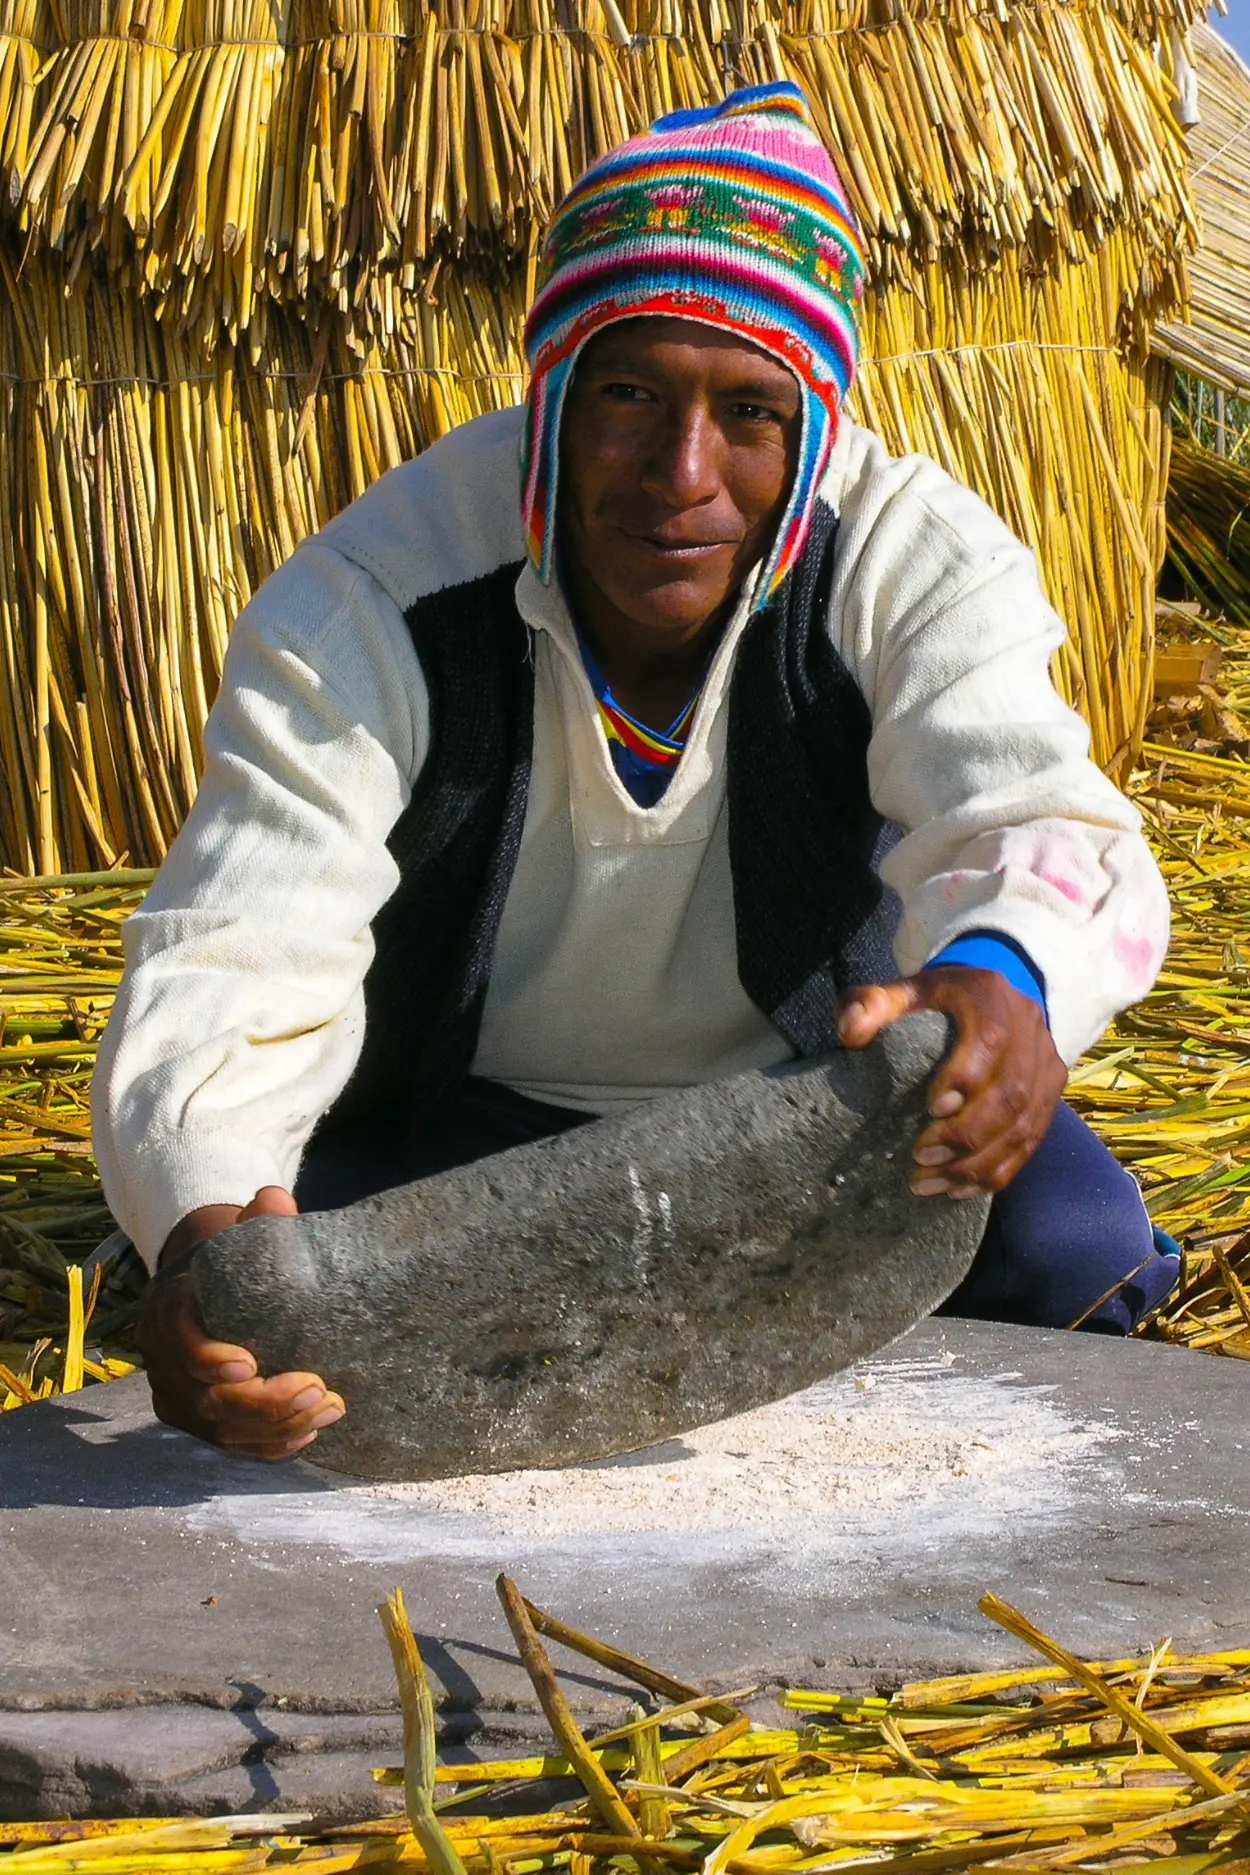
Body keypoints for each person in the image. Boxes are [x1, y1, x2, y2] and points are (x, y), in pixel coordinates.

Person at [93, 81, 1180, 1463]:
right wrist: (199, 1228)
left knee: (1069, 1251)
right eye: (625, 395)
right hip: (453, 1147)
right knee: (266, 1288)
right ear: (550, 391)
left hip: (803, 1130)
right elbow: (241, 941)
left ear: (813, 421)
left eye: (747, 410)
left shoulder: (908, 554)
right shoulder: (378, 592)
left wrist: (1008, 980)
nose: (681, 472)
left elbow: (1031, 817)